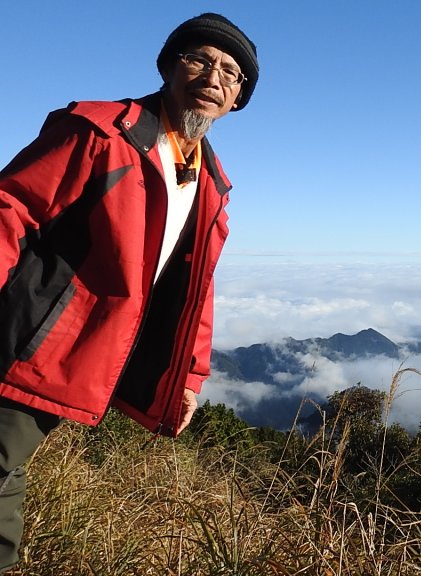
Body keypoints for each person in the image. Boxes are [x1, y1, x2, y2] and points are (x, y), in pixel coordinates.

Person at [0, 13, 258, 569]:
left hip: (86, 350)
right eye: (200, 59)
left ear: (237, 101)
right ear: (167, 67)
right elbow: (11, 208)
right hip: (28, 335)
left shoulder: (209, 181)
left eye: (232, 73)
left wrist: (188, 376)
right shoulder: (100, 132)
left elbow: (195, 287)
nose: (215, 76)